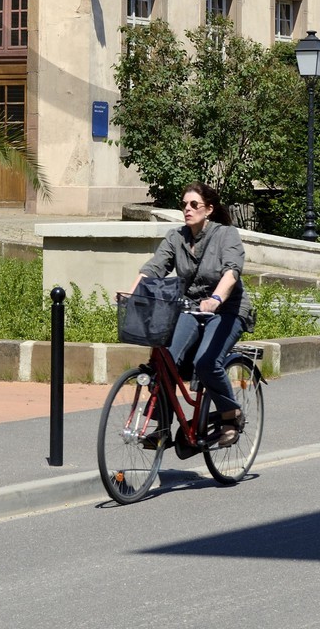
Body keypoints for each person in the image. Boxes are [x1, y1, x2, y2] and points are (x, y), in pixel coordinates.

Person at [129, 181, 253, 446]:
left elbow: (232, 271)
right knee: (164, 361)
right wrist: (133, 295)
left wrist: (217, 298)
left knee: (207, 362)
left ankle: (231, 414)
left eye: (194, 204)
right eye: (184, 204)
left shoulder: (226, 235)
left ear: (208, 209)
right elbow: (153, 269)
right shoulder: (177, 238)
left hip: (227, 309)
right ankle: (163, 428)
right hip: (191, 307)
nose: (187, 209)